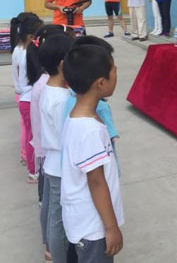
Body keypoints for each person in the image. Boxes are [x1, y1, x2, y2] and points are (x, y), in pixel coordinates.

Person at [61, 44, 124, 260]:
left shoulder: (77, 116)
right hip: (93, 228)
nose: (116, 75)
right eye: (114, 71)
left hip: (85, 221)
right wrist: (111, 227)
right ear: (101, 83)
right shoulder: (89, 130)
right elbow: (96, 181)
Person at [39, 33, 76, 263]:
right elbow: (68, 136)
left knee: (54, 214)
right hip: (61, 166)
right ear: (63, 64)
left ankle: (53, 251)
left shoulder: (50, 89)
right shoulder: (62, 99)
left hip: (53, 161)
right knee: (59, 221)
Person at [10, 13, 43, 182]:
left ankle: (30, 164)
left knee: (29, 133)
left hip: (22, 95)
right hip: (29, 97)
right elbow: (33, 77)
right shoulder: (28, 53)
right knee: (33, 137)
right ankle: (33, 171)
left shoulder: (17, 49)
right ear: (31, 37)